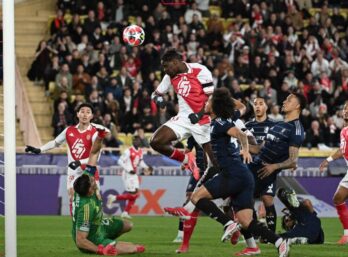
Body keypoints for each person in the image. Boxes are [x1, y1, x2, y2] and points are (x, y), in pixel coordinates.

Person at [165, 88, 291, 257]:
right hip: (243, 175)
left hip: (232, 173)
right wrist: (222, 97)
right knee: (246, 221)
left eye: (208, 102)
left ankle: (227, 224)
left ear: (215, 105)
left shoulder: (219, 123)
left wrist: (246, 150)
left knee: (197, 197)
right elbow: (243, 106)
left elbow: (241, 135)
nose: (205, 104)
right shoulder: (229, 118)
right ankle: (278, 242)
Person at [150, 49, 241, 179]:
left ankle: (229, 190)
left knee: (215, 164)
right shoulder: (169, 76)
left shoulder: (200, 70)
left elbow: (212, 98)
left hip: (204, 120)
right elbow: (155, 94)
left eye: (166, 66)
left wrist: (199, 114)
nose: (165, 70)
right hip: (183, 118)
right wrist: (159, 100)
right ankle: (187, 160)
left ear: (175, 62)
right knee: (155, 141)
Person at [25, 103, 109, 214]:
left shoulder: (95, 132)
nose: (85, 114)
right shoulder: (69, 130)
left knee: (95, 199)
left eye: (88, 112)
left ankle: (96, 226)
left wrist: (79, 162)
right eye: (82, 111)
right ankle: (76, 227)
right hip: (74, 170)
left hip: (89, 169)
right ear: (77, 114)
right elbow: (55, 142)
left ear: (92, 116)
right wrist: (40, 149)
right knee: (72, 196)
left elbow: (96, 156)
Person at [72, 128, 145, 255]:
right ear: (90, 191)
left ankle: (110, 242)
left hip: (100, 225)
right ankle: (105, 244)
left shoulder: (85, 181)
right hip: (93, 238)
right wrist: (100, 250)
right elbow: (80, 241)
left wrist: (100, 137)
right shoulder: (86, 208)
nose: (93, 179)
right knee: (136, 249)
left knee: (128, 225)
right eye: (92, 182)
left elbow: (93, 154)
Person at [247, 93, 306, 240]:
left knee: (246, 201)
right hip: (253, 166)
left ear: (297, 106)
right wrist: (242, 144)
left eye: (289, 100)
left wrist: (274, 167)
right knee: (239, 202)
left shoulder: (296, 129)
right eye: (285, 99)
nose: (284, 101)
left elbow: (293, 161)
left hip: (265, 173)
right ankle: (258, 235)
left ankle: (263, 237)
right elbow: (259, 149)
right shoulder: (279, 124)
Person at [245, 97, 278, 235]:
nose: (257, 106)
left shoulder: (275, 125)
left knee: (267, 199)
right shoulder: (246, 126)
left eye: (261, 104)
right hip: (250, 168)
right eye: (255, 104)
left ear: (266, 107)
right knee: (248, 200)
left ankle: (271, 235)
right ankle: (255, 232)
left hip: (267, 168)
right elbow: (242, 145)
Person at [319, 102, 348, 244]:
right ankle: (347, 235)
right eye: (345, 109)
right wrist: (328, 160)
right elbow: (342, 150)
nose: (346, 111)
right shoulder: (344, 130)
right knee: (338, 198)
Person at [172, 136, 206, 252]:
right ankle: (180, 234)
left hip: (213, 170)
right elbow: (188, 150)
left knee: (229, 204)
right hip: (197, 170)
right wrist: (184, 162)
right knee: (189, 200)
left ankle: (242, 233)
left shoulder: (214, 129)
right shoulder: (194, 133)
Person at [107, 136, 152, 219]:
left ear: (140, 141)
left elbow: (140, 162)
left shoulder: (140, 151)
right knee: (133, 194)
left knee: (136, 194)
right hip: (127, 174)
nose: (136, 142)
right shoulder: (128, 151)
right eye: (134, 140)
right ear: (132, 141)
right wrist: (128, 169)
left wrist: (146, 167)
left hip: (134, 174)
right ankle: (113, 197)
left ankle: (125, 212)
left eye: (138, 140)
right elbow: (119, 161)